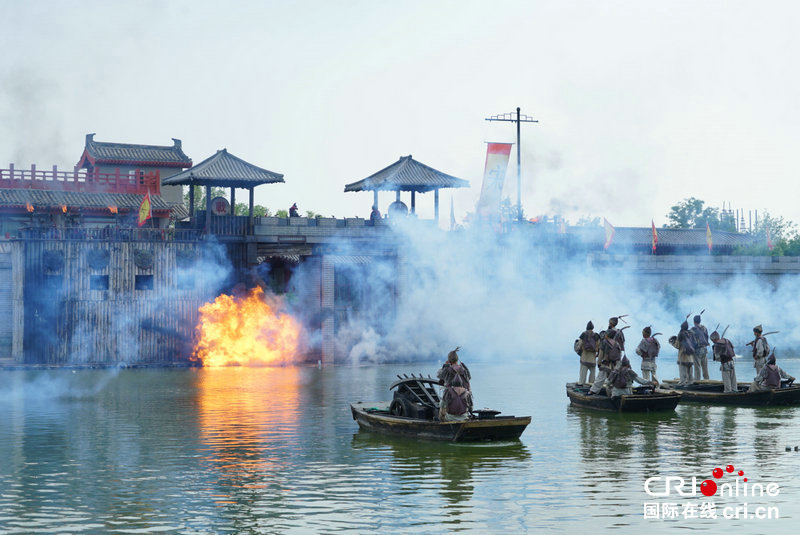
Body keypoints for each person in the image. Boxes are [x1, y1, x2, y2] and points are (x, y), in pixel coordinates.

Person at [588, 328, 623, 395]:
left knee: (600, 379)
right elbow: (619, 355)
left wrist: (598, 363)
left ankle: (593, 391)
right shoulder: (617, 344)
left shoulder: (604, 342)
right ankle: (612, 393)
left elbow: (600, 355)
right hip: (614, 365)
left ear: (607, 335)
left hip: (605, 364)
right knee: (612, 380)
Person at [575, 321, 600, 385]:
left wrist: (578, 349)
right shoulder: (596, 335)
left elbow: (580, 345)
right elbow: (598, 346)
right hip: (592, 358)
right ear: (592, 327)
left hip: (584, 357)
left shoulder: (583, 334)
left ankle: (581, 383)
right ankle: (591, 385)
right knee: (592, 374)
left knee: (583, 373)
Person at [671, 320, 695, 386]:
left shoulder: (681, 334)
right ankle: (690, 382)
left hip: (683, 356)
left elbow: (677, 345)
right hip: (690, 356)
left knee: (683, 371)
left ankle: (682, 383)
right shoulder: (691, 333)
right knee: (690, 371)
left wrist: (672, 342)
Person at [690, 314, 710, 381]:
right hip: (704, 349)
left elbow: (691, 341)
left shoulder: (692, 329)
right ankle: (707, 380)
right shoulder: (704, 328)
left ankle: (697, 381)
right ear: (700, 321)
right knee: (705, 366)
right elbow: (707, 337)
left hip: (697, 350)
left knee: (697, 367)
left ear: (694, 322)